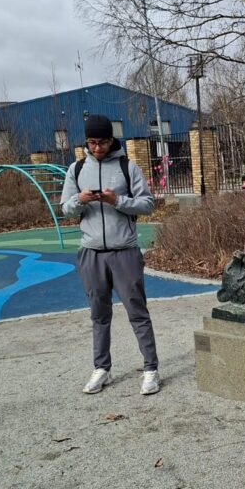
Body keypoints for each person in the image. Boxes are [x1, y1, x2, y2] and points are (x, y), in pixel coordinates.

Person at [61, 114, 161, 395]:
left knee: (137, 312)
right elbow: (65, 208)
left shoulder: (127, 167)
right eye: (92, 142)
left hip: (124, 252)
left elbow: (147, 204)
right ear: (86, 141)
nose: (97, 148)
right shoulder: (77, 169)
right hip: (91, 254)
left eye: (102, 142)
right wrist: (79, 201)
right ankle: (101, 368)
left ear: (111, 140)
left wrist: (117, 200)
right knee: (98, 315)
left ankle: (151, 369)